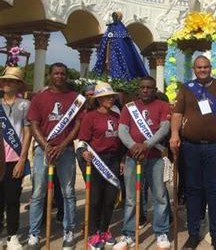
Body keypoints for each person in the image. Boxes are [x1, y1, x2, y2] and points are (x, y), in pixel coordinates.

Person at [170, 55, 216, 250]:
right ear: (194, 69)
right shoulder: (186, 88)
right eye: (199, 67)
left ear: (210, 68)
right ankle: (193, 234)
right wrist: (174, 133)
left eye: (206, 67)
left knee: (214, 189)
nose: (202, 70)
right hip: (191, 146)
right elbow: (177, 113)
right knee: (193, 189)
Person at [26, 63, 84, 250]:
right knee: (38, 193)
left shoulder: (75, 98)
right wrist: (46, 145)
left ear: (66, 76)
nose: (59, 76)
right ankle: (34, 234)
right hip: (43, 150)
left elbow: (77, 125)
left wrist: (62, 145)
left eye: (63, 73)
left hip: (65, 150)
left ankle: (69, 231)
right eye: (56, 73)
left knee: (68, 192)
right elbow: (34, 124)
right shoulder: (39, 98)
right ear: (50, 75)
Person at [118, 76, 171, 248]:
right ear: (138, 89)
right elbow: (122, 130)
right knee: (131, 198)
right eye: (142, 87)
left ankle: (161, 232)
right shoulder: (129, 107)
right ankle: (128, 234)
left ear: (155, 90)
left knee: (160, 196)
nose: (146, 90)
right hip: (133, 157)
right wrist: (133, 146)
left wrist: (146, 145)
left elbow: (164, 128)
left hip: (155, 157)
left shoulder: (162, 106)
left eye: (149, 88)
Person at [77, 81, 123, 248]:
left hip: (113, 159)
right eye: (105, 97)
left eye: (111, 96)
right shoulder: (90, 116)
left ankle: (105, 230)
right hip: (96, 160)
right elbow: (83, 141)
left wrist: (122, 160)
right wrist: (83, 152)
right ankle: (93, 232)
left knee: (110, 199)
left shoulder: (117, 116)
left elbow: (121, 141)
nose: (110, 99)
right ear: (98, 99)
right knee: (95, 199)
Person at [0, 67, 31, 249]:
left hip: (15, 160)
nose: (6, 83)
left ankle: (12, 235)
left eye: (10, 81)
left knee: (12, 199)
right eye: (4, 80)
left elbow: (28, 133)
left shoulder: (25, 105)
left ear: (18, 84)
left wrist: (22, 159)